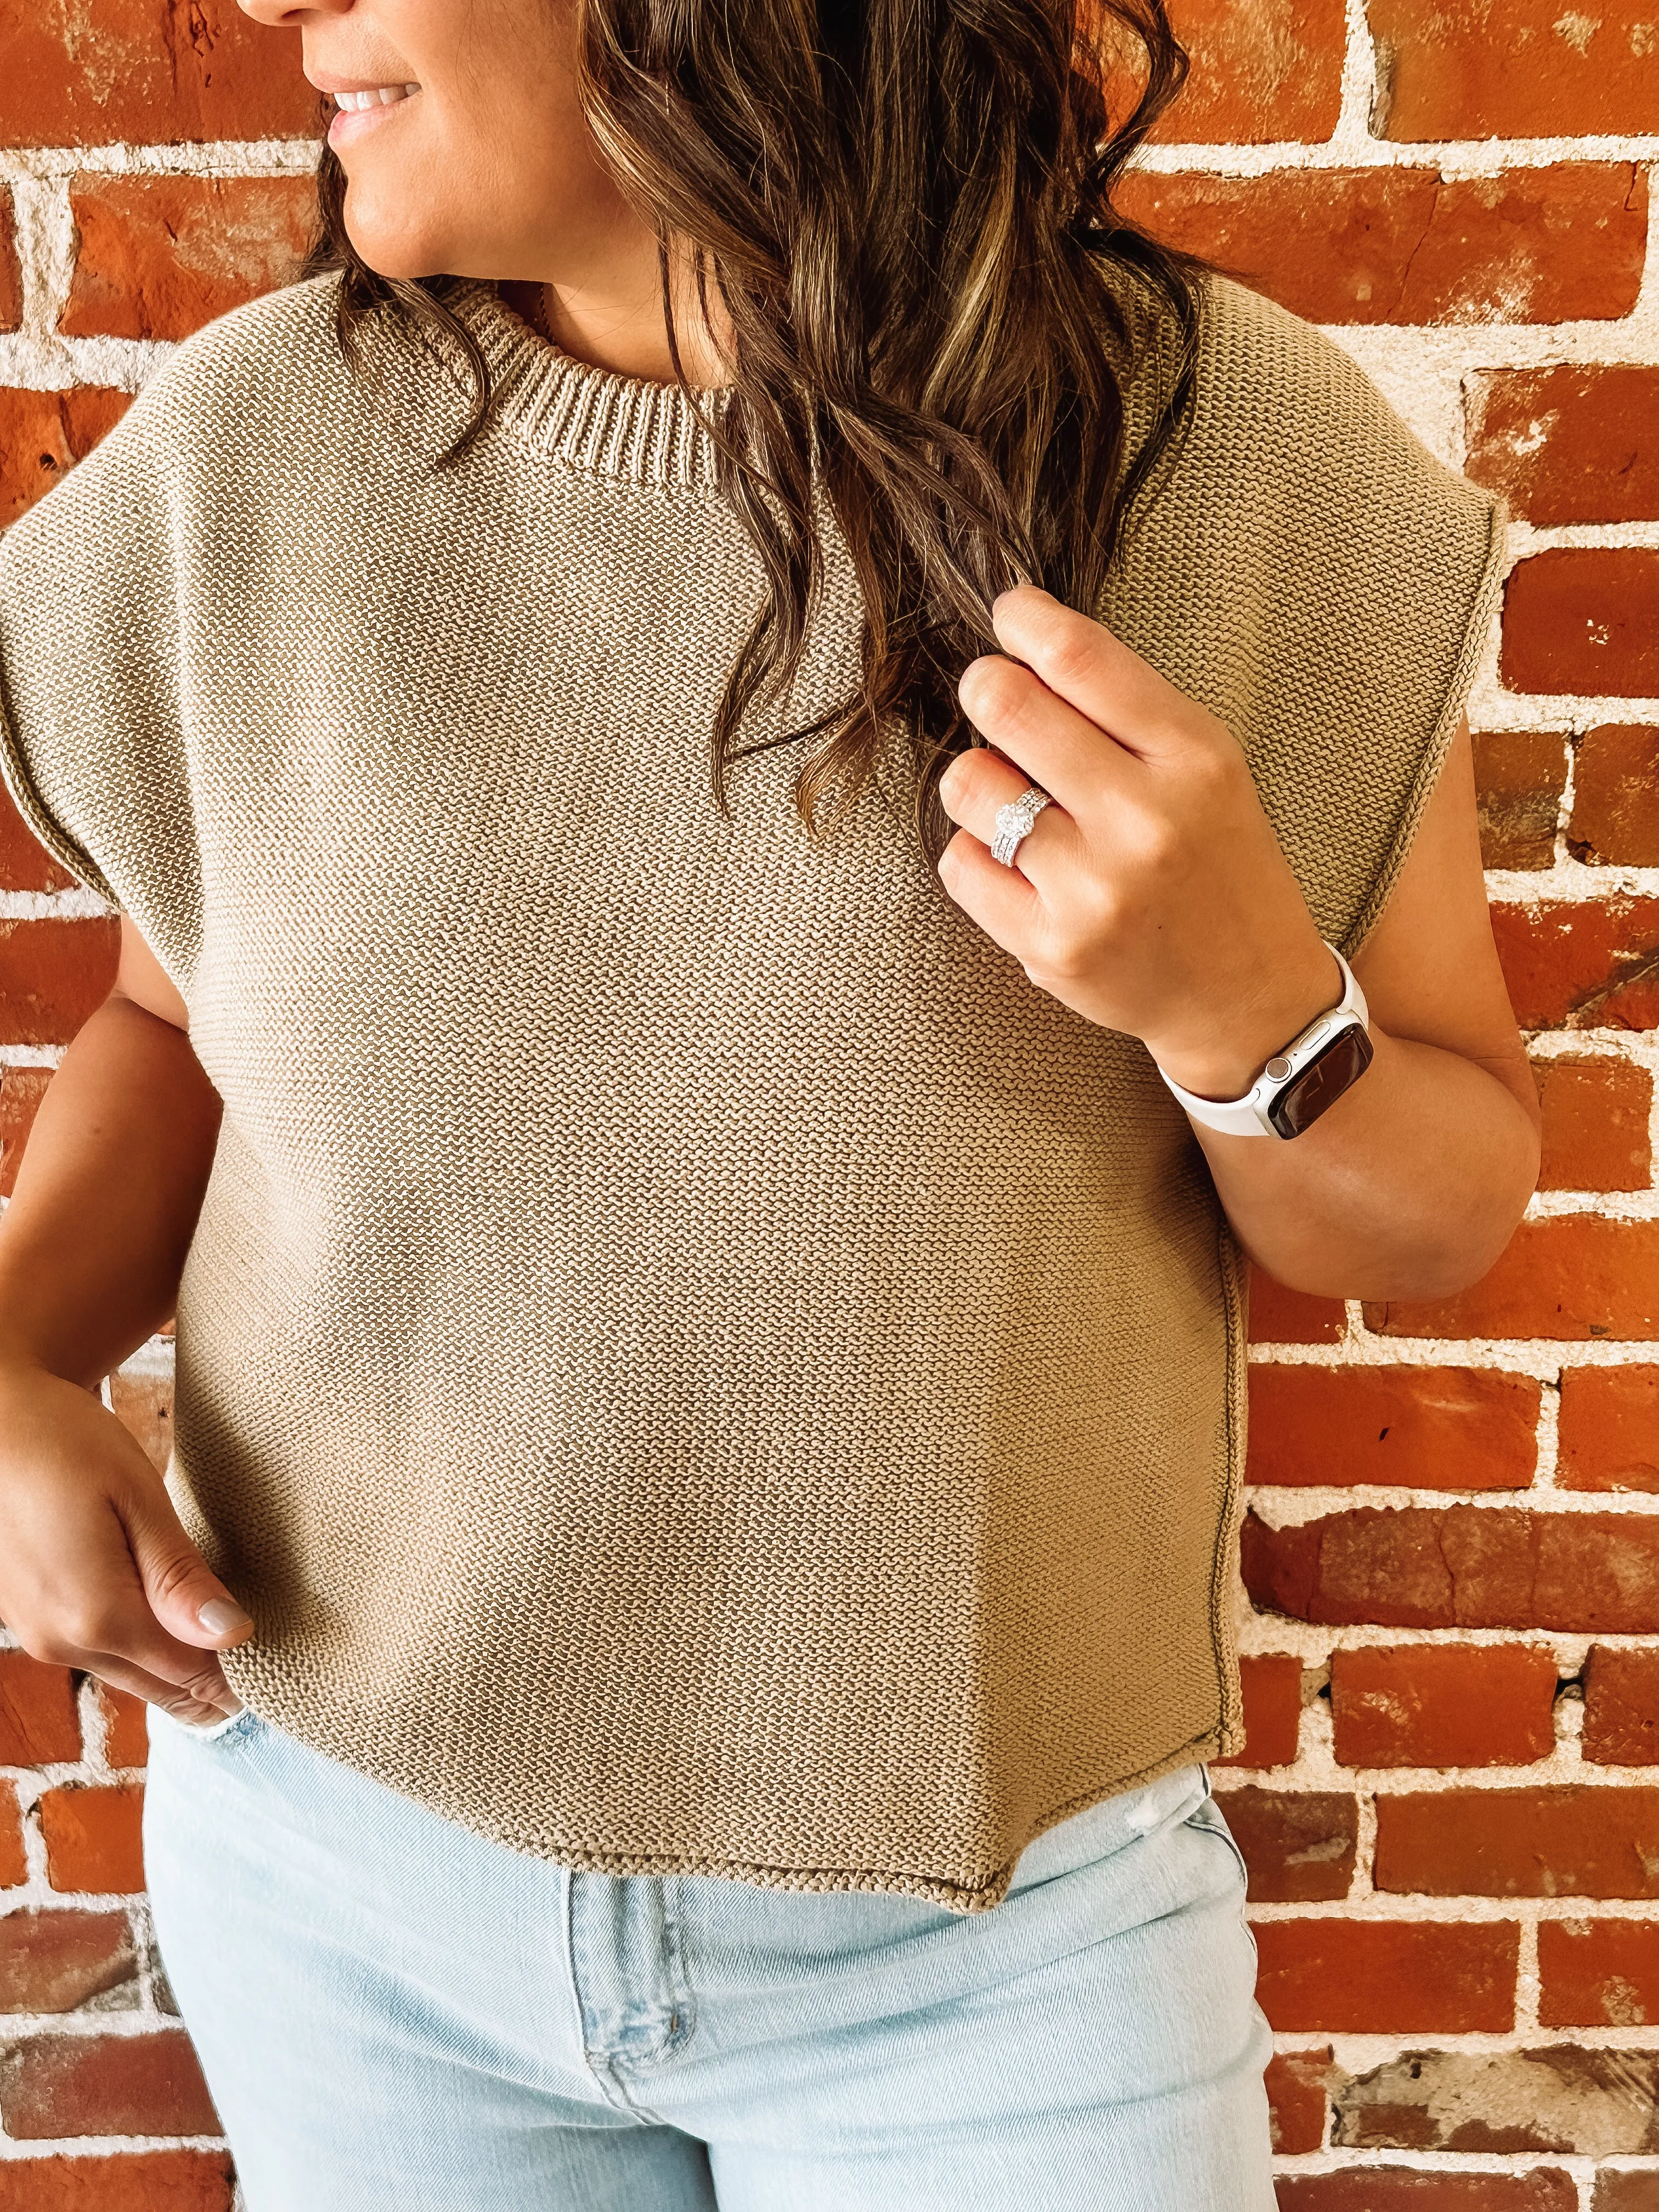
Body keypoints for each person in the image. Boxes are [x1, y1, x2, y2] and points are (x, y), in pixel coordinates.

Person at [0, 0, 1540, 2204]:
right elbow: (171, 1028)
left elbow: (1442, 1206)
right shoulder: (251, 462)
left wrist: (1248, 1015)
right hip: (356, 1906)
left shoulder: (1221, 456)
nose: (268, 5)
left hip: (997, 1961)